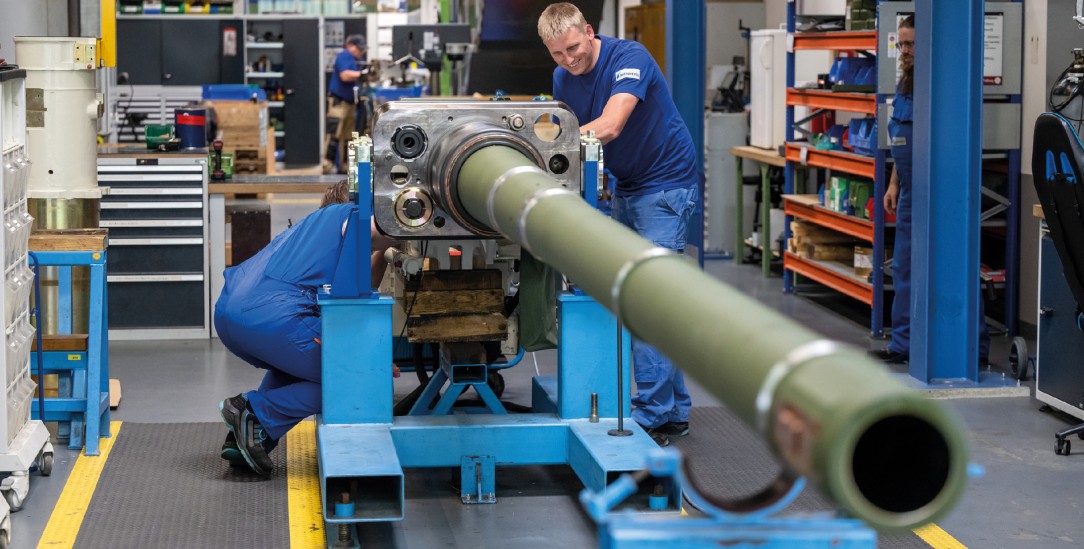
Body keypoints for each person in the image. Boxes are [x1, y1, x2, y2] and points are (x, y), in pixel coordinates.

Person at [538, 3, 701, 447]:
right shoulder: (562, 78)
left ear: (589, 31)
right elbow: (570, 134)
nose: (569, 60)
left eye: (573, 48)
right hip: (627, 184)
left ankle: (649, 414)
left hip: (666, 184)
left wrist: (545, 149)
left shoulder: (630, 59)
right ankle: (674, 410)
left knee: (649, 298)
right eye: (557, 55)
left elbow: (608, 126)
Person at [216, 181, 397, 476]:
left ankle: (249, 439)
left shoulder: (305, 238)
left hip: (232, 315)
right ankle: (254, 412)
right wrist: (412, 229)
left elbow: (362, 291)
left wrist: (386, 248)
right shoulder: (344, 214)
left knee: (302, 367)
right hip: (269, 317)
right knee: (359, 380)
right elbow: (376, 230)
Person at [872, 15, 990, 366]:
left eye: (911, 45)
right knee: (905, 267)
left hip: (942, 190)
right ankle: (904, 344)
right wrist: (894, 181)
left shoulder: (943, 84)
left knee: (955, 264)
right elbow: (900, 137)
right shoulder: (907, 82)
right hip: (911, 189)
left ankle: (973, 347)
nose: (904, 51)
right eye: (902, 44)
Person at [325, 34, 369, 174]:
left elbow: (362, 77)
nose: (362, 52)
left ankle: (344, 167)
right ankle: (326, 165)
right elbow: (344, 75)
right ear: (351, 46)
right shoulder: (344, 56)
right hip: (339, 103)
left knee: (348, 137)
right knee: (334, 134)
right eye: (359, 49)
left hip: (350, 104)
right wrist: (361, 74)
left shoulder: (358, 59)